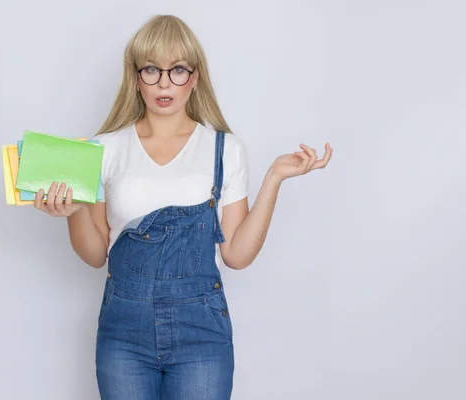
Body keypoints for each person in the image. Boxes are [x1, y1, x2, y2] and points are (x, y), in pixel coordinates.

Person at [33, 14, 332, 400]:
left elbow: (237, 255)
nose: (163, 83)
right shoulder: (103, 149)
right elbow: (95, 254)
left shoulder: (224, 149)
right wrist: (72, 213)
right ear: (135, 77)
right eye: (152, 70)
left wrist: (273, 177)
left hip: (201, 332)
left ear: (195, 77)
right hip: (123, 331)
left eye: (177, 70)